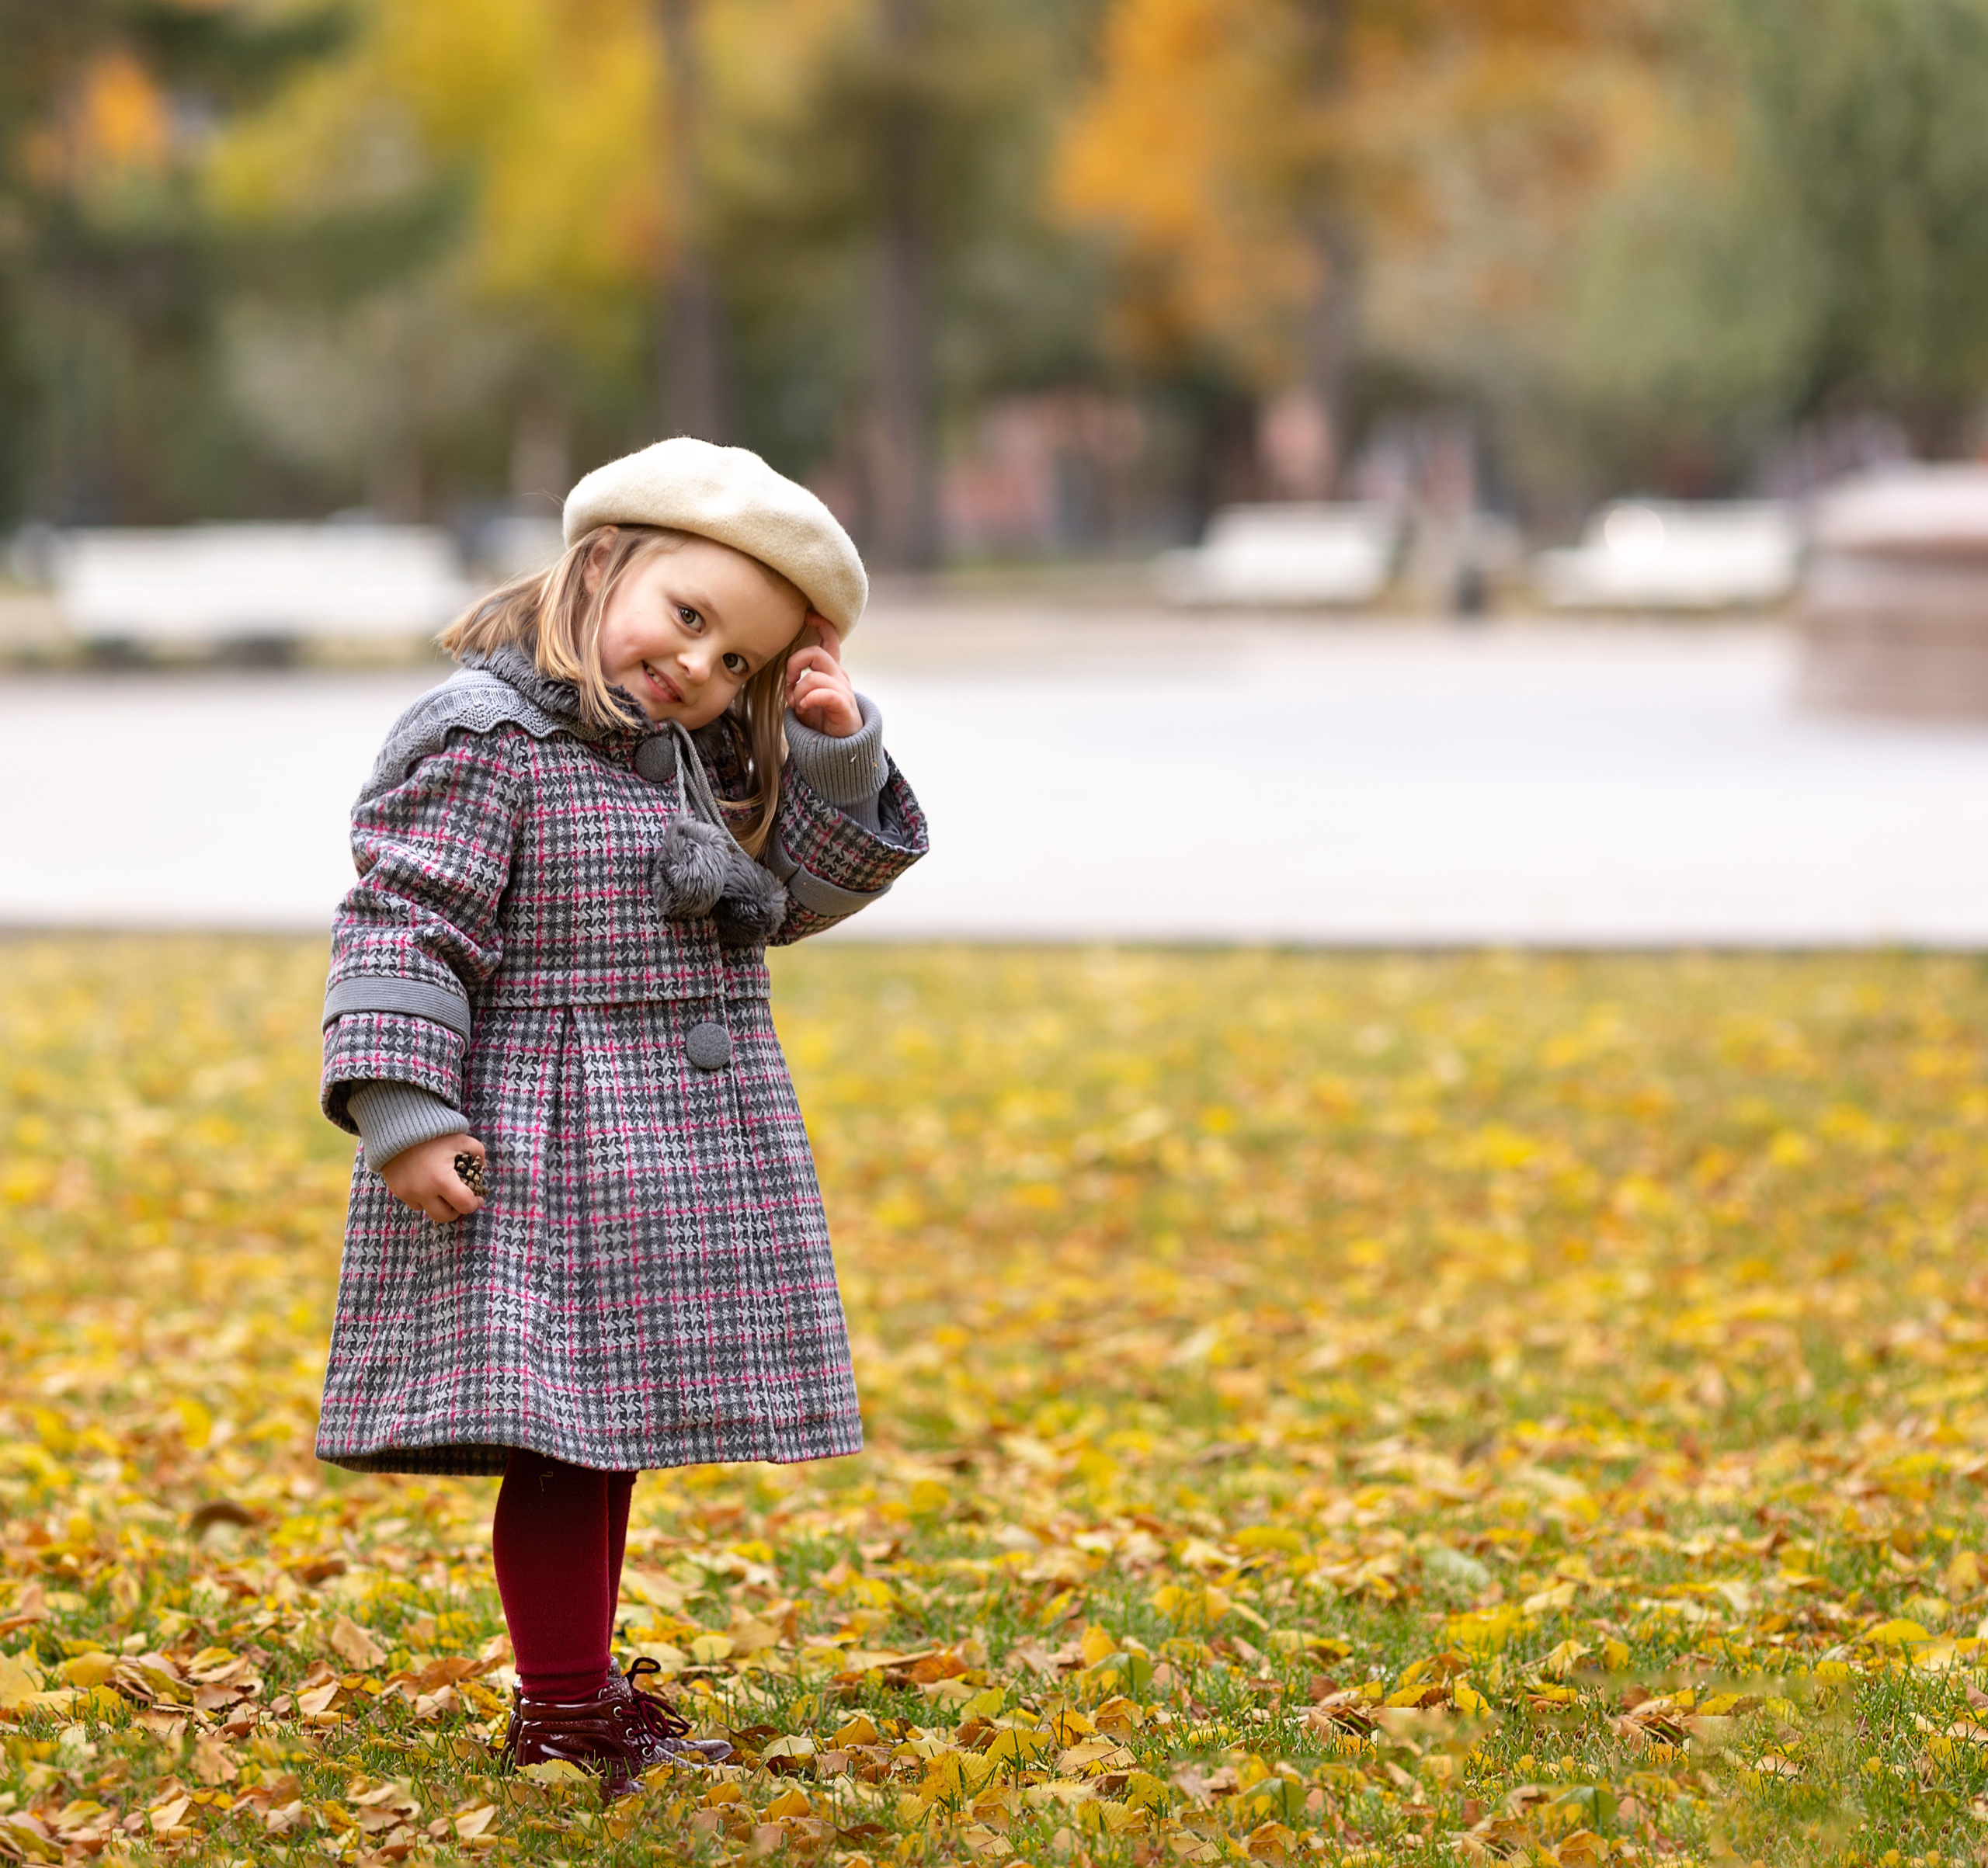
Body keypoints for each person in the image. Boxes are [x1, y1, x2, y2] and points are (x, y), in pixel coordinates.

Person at [313, 437, 928, 1797]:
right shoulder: (482, 736)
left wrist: (834, 751)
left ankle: (582, 1684)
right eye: (690, 616)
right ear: (604, 564)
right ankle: (561, 1702)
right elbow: (407, 920)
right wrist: (406, 1104)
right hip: (536, 1140)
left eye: (739, 664)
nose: (700, 668)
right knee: (555, 1440)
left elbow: (793, 903)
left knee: (609, 1439)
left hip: (656, 1151)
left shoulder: (684, 756)